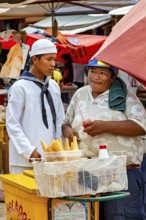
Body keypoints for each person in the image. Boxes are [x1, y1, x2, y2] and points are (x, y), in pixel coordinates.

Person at [62, 59, 146, 220]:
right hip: (86, 172)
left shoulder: (125, 96)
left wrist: (104, 126)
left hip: (121, 173)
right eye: (93, 71)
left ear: (112, 77)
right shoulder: (80, 94)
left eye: (103, 73)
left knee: (122, 216)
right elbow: (66, 122)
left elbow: (141, 125)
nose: (96, 77)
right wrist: (69, 132)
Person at [6, 39, 65, 174]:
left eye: (54, 59)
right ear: (35, 59)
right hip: (23, 161)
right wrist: (29, 150)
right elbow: (12, 123)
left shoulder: (53, 86)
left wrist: (57, 148)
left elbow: (59, 120)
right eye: (48, 59)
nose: (53, 64)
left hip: (50, 159)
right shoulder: (20, 87)